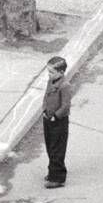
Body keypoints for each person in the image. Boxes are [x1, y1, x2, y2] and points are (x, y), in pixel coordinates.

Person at [42, 56, 72, 189]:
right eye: (48, 72)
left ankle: (58, 178)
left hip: (58, 121)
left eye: (52, 72)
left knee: (57, 148)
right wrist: (44, 109)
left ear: (61, 72)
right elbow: (46, 96)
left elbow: (66, 105)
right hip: (48, 118)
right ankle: (52, 172)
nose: (49, 75)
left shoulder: (65, 86)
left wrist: (56, 116)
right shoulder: (51, 81)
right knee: (50, 146)